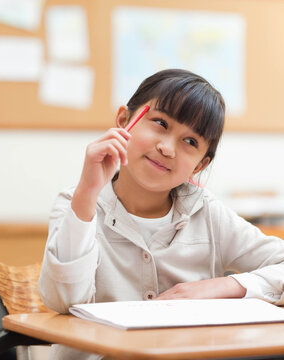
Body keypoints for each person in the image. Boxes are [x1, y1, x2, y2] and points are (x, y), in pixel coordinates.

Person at [38, 69, 284, 359]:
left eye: (190, 141)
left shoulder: (206, 212)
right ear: (124, 122)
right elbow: (62, 300)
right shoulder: (75, 203)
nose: (167, 148)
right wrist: (87, 193)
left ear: (199, 166)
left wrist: (224, 285)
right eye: (160, 123)